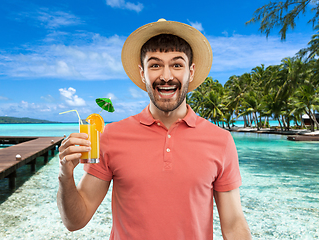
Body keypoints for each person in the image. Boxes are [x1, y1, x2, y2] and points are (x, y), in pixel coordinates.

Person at [57, 19, 252, 239]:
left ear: (191, 71)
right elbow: (75, 221)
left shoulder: (221, 141)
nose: (166, 76)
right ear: (142, 73)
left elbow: (234, 223)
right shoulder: (111, 136)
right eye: (155, 65)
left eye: (177, 65)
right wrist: (66, 175)